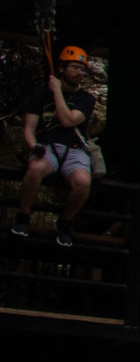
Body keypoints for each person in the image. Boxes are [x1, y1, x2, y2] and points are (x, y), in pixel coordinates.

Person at [12, 44, 100, 243]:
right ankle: (23, 216)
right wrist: (33, 145)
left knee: (83, 183)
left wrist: (57, 91)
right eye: (75, 68)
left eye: (82, 69)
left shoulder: (85, 99)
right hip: (48, 146)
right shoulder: (41, 96)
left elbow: (68, 120)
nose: (80, 73)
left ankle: (64, 222)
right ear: (62, 69)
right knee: (35, 169)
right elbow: (29, 127)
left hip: (74, 150)